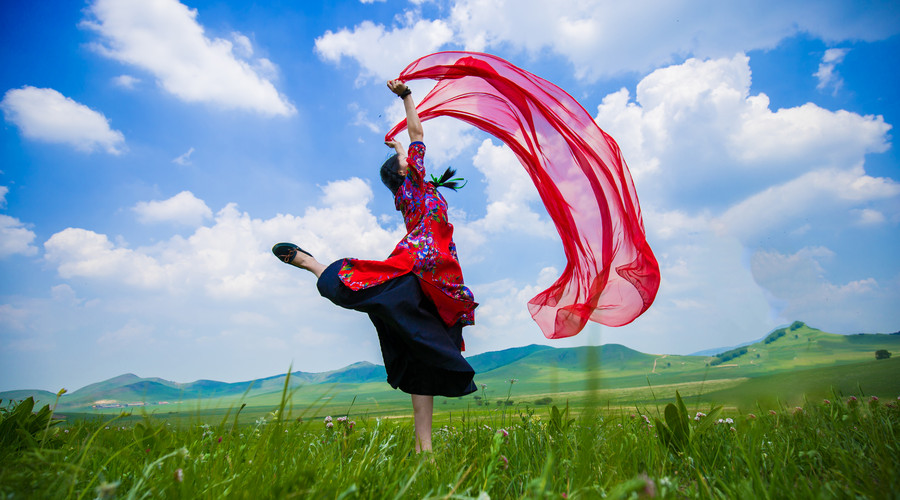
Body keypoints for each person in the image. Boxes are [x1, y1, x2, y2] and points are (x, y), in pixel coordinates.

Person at [272, 79, 477, 453]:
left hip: (443, 277)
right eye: (409, 160)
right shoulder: (413, 183)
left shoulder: (409, 189)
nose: (416, 161)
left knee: (425, 354)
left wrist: (397, 147)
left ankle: (424, 451)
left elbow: (406, 148)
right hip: (420, 263)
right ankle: (314, 265)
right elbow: (418, 131)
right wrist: (406, 97)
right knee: (367, 283)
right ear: (405, 171)